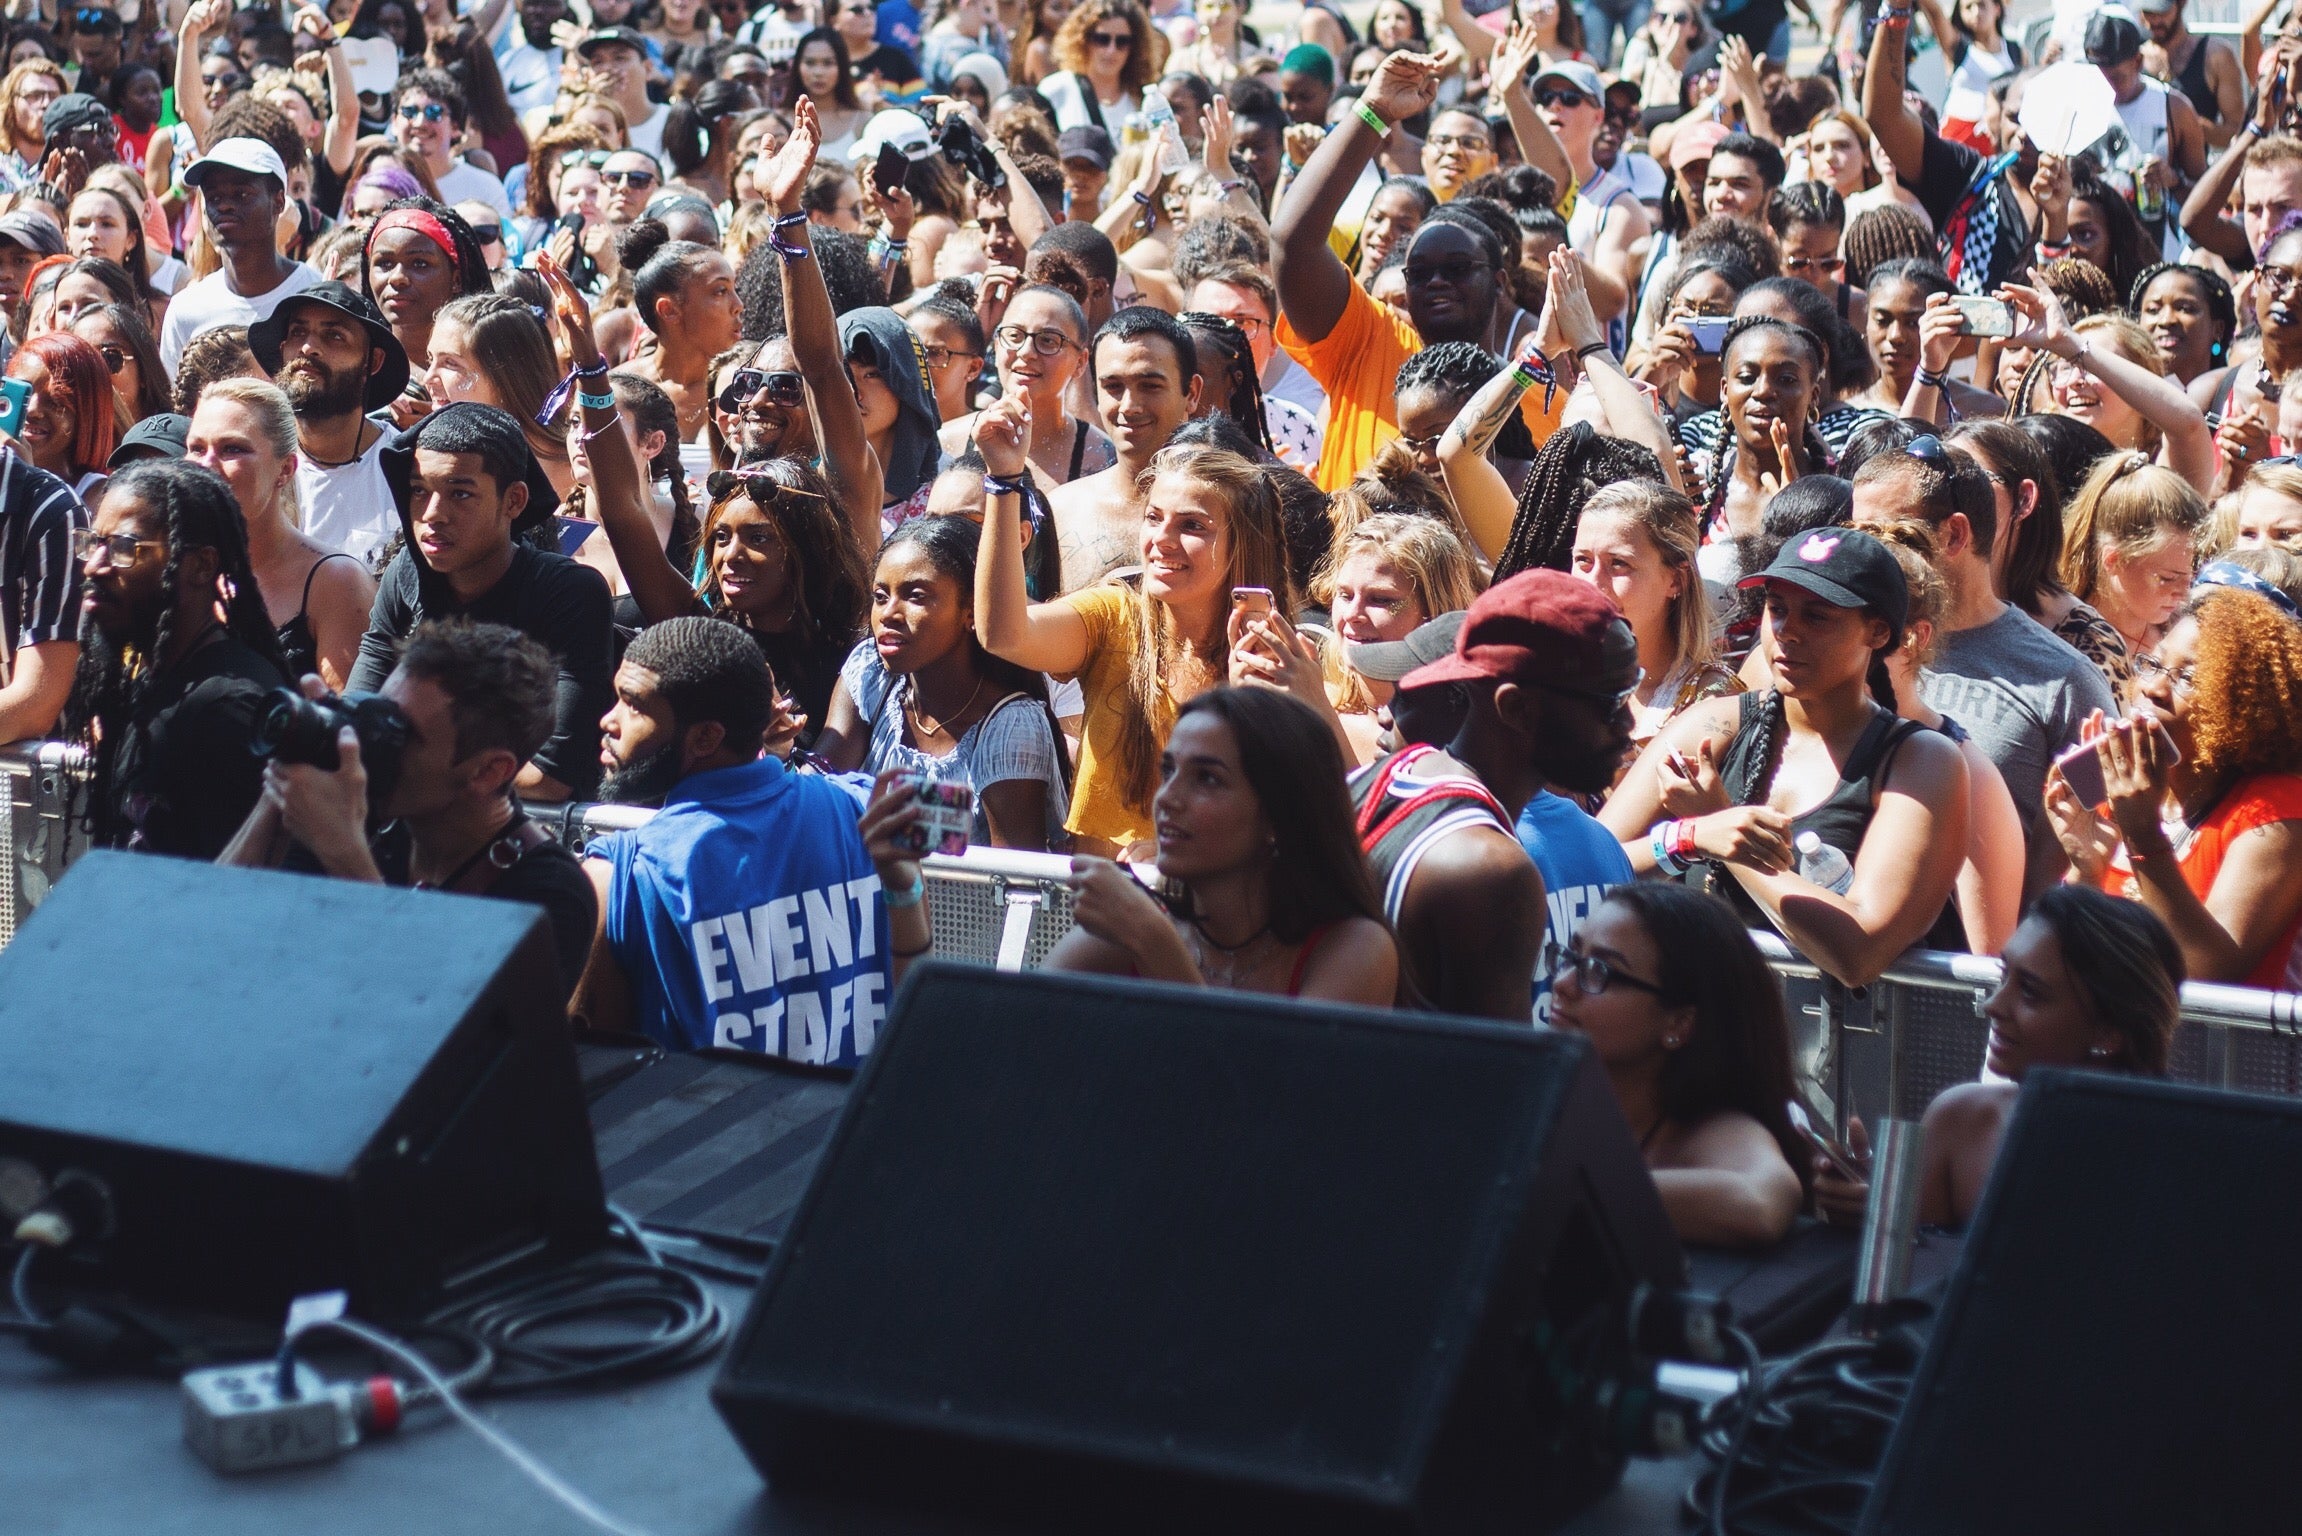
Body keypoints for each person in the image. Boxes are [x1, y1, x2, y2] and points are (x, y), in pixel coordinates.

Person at [1603, 527, 1971, 988]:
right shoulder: (1715, 727)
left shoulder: (1921, 762)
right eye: (1777, 610)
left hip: (1861, 1053)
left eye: (1817, 616)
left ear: (1877, 632)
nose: (1786, 632)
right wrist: (1687, 837)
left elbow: (1859, 951)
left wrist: (1726, 827)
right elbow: (1588, 865)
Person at [218, 621, 600, 1000]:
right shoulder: (364, 819)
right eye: (378, 713)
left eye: (401, 734)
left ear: (488, 771)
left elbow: (448, 1032)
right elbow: (208, 928)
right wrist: (283, 778)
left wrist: (344, 854)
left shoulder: (550, 895)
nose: (374, 741)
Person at [575, 617, 893, 1064]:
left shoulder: (615, 879)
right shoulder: (865, 803)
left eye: (634, 705)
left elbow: (589, 1068)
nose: (609, 720)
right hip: (849, 1126)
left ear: (707, 736)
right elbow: (961, 818)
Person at [976, 415, 1291, 856]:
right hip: (1096, 912)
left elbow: (1290, 827)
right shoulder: (1112, 616)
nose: (1162, 539)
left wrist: (1172, 857)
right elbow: (1004, 634)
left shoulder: (1281, 659)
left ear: (1243, 543)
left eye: (1192, 525)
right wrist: (1004, 481)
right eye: (1154, 517)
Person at [967, 685, 1396, 1002]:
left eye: (1207, 779)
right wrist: (905, 890)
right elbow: (1012, 1045)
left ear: (1279, 817)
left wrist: (1156, 947)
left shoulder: (1354, 949)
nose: (1167, 798)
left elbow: (1271, 1104)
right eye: (1169, 771)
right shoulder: (1126, 932)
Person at [1353, 570, 1641, 1020]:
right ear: (1517, 707)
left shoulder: (1383, 781)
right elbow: (1497, 1084)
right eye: (1611, 704)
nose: (1628, 725)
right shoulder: (1488, 872)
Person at [1859, 436, 2119, 897]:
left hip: (1974, 961)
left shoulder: (2066, 682)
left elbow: (2091, 844)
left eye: (1886, 536)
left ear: (1955, 535)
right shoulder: (1846, 643)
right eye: (1857, 536)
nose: (1863, 557)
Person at [1274, 52, 1544, 492]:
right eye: (1417, 273)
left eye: (1456, 268)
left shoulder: (1532, 392)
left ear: (1499, 282)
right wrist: (1374, 112)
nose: (1436, 282)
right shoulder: (1369, 341)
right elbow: (1292, 242)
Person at [347, 402, 615, 802]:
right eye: (418, 491)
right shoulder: (407, 573)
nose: (433, 514)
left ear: (514, 501)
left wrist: (404, 767)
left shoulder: (569, 593)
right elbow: (353, 726)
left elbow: (549, 777)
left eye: (460, 494)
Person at [2050, 584, 2302, 988]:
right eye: (2152, 664)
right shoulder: (2127, 794)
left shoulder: (2276, 810)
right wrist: (2086, 869)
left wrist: (2143, 836)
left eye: (2187, 676)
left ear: (2246, 704)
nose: (2152, 688)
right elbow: (2060, 953)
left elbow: (2210, 968)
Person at [1550, 883, 1808, 1247]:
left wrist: (1544, 1188)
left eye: (1599, 971)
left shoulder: (1714, 1130)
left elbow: (1758, 1203)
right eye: (1570, 958)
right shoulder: (1533, 1095)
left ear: (1679, 1023)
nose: (1562, 984)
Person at [64, 459, 288, 859]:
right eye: (92, 543)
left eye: (122, 548)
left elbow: (237, 897)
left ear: (201, 566)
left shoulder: (230, 710)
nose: (94, 566)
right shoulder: (153, 681)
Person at [815, 513, 1070, 850]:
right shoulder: (870, 671)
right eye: (880, 596)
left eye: (916, 596)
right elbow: (819, 797)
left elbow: (1012, 882)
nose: (889, 614)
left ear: (971, 611)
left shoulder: (1010, 726)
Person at [1869, 515, 2026, 954]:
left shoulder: (1970, 776)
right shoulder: (1790, 735)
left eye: (1872, 627)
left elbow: (1987, 967)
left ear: (1914, 638)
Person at [185, 378, 375, 693]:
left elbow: (347, 728)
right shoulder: (177, 569)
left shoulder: (337, 582)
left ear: (285, 469)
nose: (207, 464)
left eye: (232, 449)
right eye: (196, 448)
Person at [249, 281, 411, 573]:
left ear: (372, 361)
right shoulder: (257, 464)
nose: (309, 348)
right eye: (298, 332)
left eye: (334, 336)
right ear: (283, 349)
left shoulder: (407, 468)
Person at [1047, 305, 1202, 592]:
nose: (1130, 406)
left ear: (1191, 393)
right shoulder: (1060, 511)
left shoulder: (1231, 508)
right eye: (1113, 386)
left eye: (1150, 385)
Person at [1310, 514, 1484, 765]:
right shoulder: (1306, 704)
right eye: (1345, 595)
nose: (1352, 615)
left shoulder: (1461, 734)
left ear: (1435, 611)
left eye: (1381, 599)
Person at [939, 282, 1113, 530]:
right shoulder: (946, 444)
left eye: (1049, 340)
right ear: (997, 345)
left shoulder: (1101, 458)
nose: (1027, 351)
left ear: (1081, 362)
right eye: (1014, 335)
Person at [158, 137, 322, 377]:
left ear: (278, 202)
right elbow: (174, 407)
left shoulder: (313, 292)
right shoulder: (186, 310)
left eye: (242, 195)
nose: (224, 206)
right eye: (214, 198)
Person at [2058, 452, 2207, 678]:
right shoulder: (2067, 647)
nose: (2185, 593)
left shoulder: (2187, 633)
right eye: (2167, 578)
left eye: (2192, 575)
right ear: (2113, 560)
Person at [615, 218, 742, 445]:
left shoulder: (749, 388)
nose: (739, 305)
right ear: (669, 310)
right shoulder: (619, 392)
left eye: (735, 288)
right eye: (721, 291)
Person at [363, 197, 491, 379]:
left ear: (456, 279)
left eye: (419, 264)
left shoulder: (491, 368)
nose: (397, 277)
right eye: (384, 263)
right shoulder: (355, 366)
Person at [6, 331, 113, 503]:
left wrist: (29, 481)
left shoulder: (98, 498)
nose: (33, 410)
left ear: (87, 415)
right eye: (24, 393)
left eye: (55, 400)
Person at [389, 68, 510, 219]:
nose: (420, 123)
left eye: (434, 112)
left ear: (455, 127)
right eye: (409, 111)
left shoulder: (486, 188)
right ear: (394, 122)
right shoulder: (378, 185)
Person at [1041, 0, 1152, 133]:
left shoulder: (1144, 97)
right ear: (1083, 40)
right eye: (1102, 39)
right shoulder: (1055, 89)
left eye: (1122, 42)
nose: (1111, 50)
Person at [575, 28, 669, 159]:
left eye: (620, 58)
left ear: (647, 69)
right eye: (598, 62)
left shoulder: (672, 120)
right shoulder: (580, 125)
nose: (607, 68)